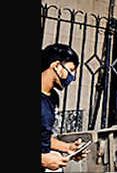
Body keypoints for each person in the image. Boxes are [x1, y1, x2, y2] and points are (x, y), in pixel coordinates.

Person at [41, 43, 87, 171]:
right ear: (56, 65)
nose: (72, 78)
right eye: (71, 70)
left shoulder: (53, 97)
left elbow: (43, 137)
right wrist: (43, 159)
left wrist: (68, 148)